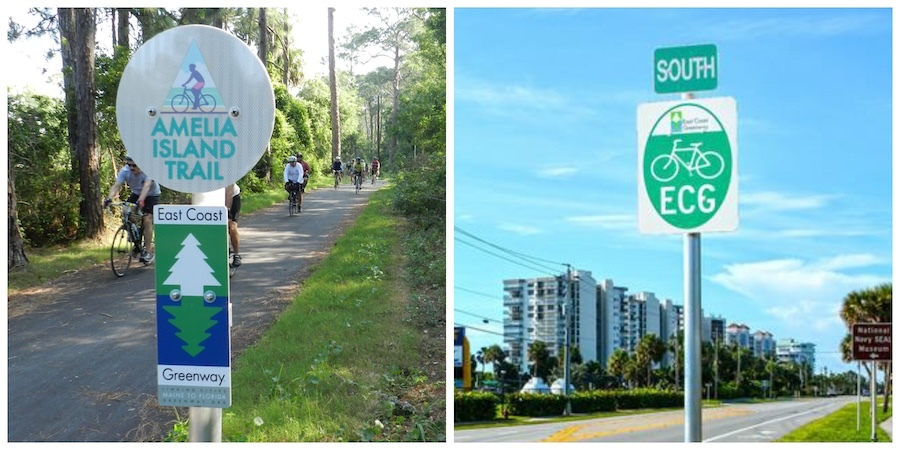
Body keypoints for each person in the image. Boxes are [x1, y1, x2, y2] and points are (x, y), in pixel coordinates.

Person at [104, 156, 160, 263]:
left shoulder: (148, 171)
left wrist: (141, 201)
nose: (131, 168)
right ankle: (136, 234)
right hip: (137, 194)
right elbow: (116, 186)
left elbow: (147, 186)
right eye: (129, 165)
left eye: (134, 165)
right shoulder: (125, 171)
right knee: (125, 211)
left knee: (147, 220)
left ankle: (147, 252)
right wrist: (109, 199)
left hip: (152, 195)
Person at [225, 183, 241, 267]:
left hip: (233, 197)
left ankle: (236, 254)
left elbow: (229, 193)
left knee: (232, 227)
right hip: (217, 199)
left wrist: (227, 212)